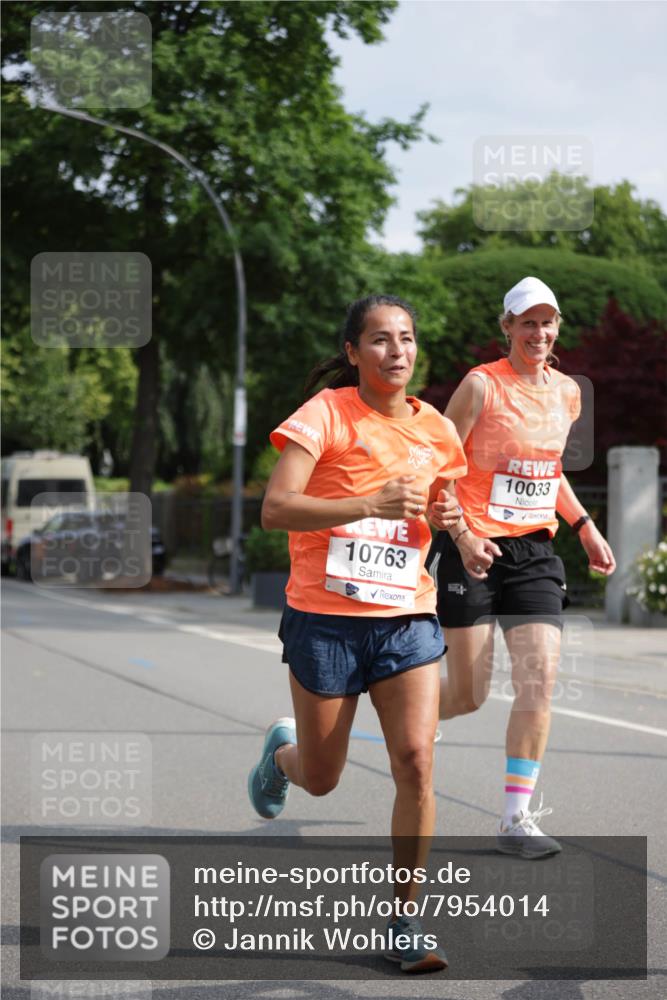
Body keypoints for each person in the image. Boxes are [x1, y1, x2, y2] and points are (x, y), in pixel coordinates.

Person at [248, 294, 467, 972]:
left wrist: (462, 532)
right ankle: (282, 757)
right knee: (321, 779)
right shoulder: (325, 414)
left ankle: (405, 920)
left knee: (417, 761)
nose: (396, 350)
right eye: (379, 339)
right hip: (325, 620)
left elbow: (444, 507)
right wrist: (368, 502)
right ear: (352, 351)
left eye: (406, 338)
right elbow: (275, 508)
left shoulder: (436, 429)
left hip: (406, 616)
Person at [427, 276, 616, 859]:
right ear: (507, 327)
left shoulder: (567, 393)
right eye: (527, 322)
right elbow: (438, 471)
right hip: (473, 548)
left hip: (535, 551)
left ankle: (515, 819)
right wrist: (463, 536)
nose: (539, 332)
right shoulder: (480, 386)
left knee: (539, 680)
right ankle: (410, 712)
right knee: (469, 694)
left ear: (558, 328)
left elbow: (548, 470)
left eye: (547, 322)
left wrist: (584, 526)